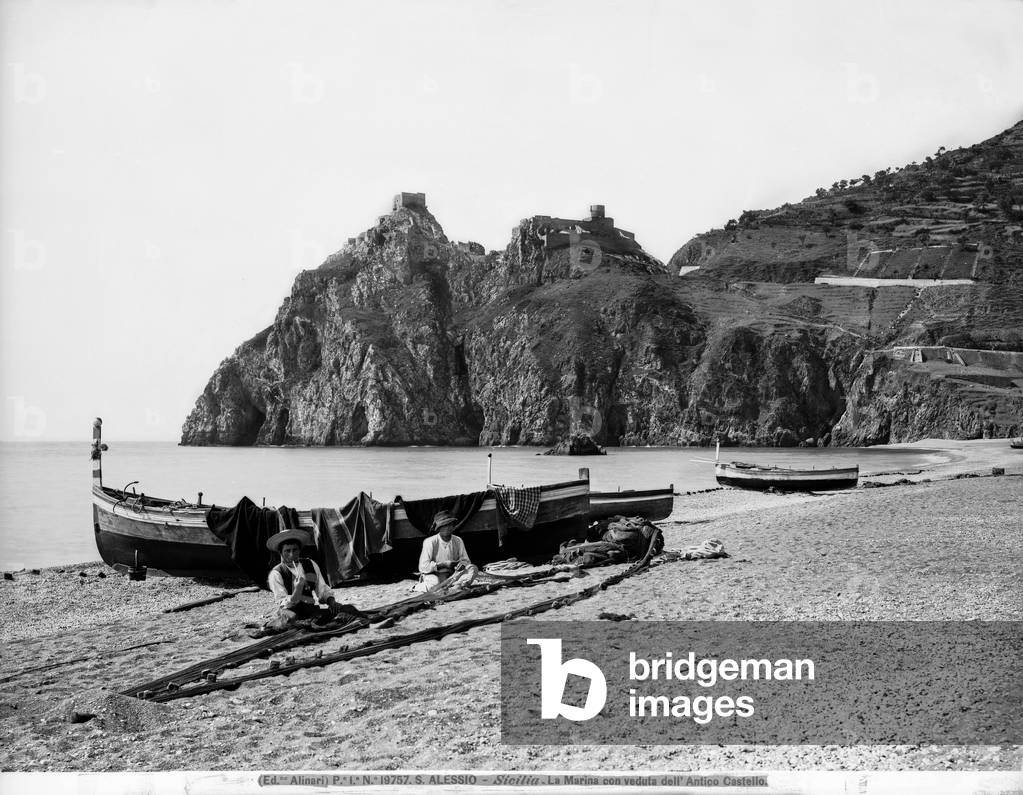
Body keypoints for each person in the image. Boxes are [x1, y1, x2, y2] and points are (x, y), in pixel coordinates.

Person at [261, 528, 358, 632]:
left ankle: (307, 622)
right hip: (290, 611)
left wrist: (331, 602)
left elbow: (321, 587)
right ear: (280, 552)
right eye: (287, 551)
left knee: (347, 610)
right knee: (291, 619)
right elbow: (283, 601)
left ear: (300, 550)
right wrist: (297, 590)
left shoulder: (310, 564)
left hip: (310, 610)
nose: (291, 555)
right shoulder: (276, 573)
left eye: (295, 550)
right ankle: (270, 625)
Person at [414, 510, 478, 592]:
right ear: (438, 528)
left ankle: (455, 586)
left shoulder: (458, 540)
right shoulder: (430, 542)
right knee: (434, 583)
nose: (447, 528)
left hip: (453, 574)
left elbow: (466, 561)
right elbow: (423, 567)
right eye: (443, 526)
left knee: (473, 568)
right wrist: (443, 565)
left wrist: (461, 564)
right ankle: (417, 587)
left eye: (449, 525)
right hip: (434, 574)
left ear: (453, 526)